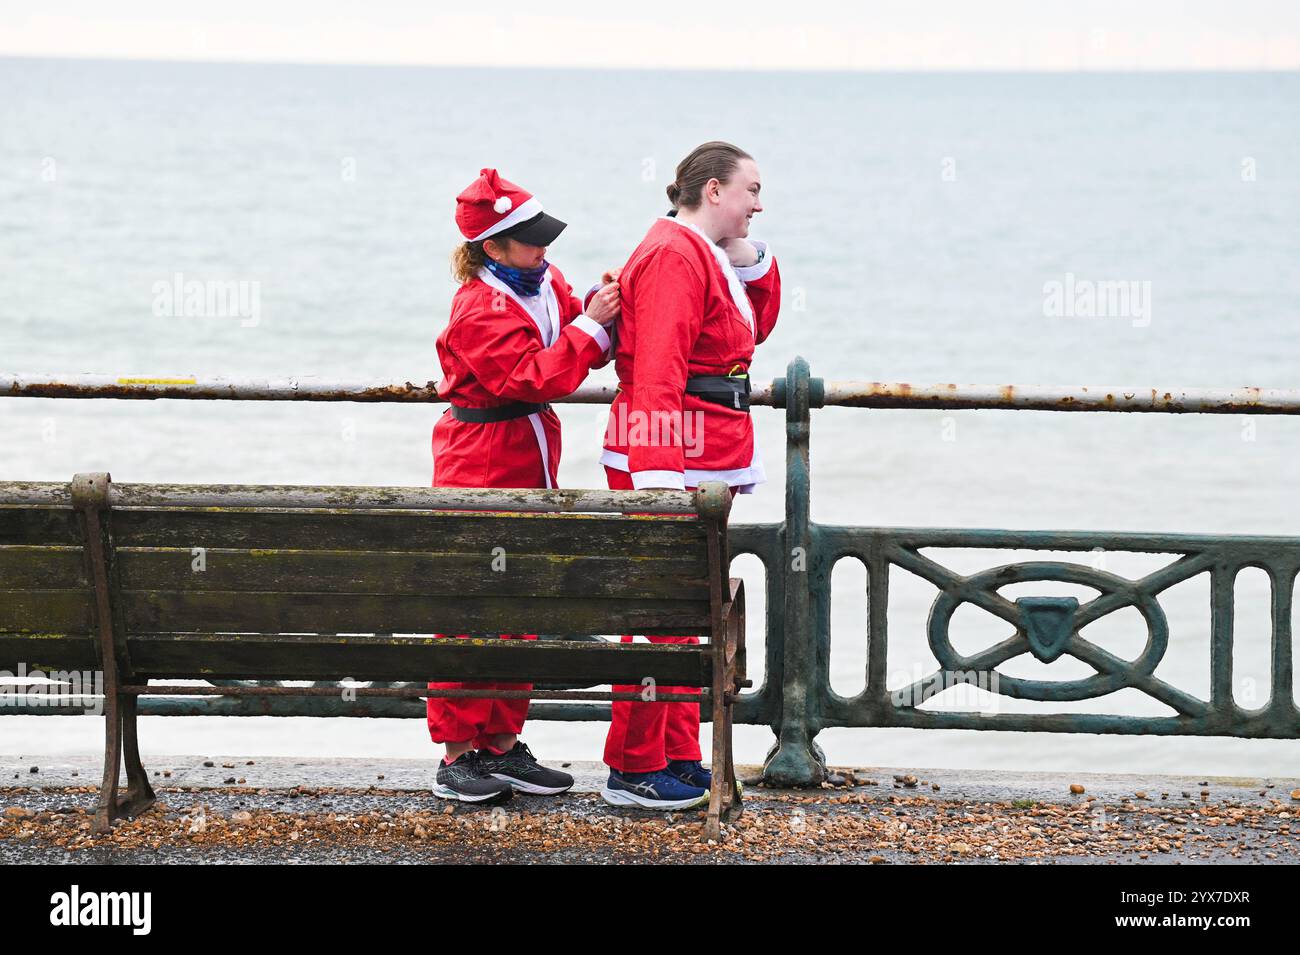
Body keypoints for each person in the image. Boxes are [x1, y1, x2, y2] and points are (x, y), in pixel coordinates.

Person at [428, 167, 621, 804]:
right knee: (471, 605)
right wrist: (591, 326)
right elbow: (532, 376)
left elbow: (574, 336)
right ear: (493, 247)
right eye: (531, 240)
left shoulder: (544, 281)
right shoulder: (477, 309)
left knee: (519, 606)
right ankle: (458, 754)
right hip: (480, 456)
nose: (545, 250)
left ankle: (501, 746)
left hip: (528, 450)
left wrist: (603, 308)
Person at [598, 141, 780, 809]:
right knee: (660, 618)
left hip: (701, 459)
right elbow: (659, 368)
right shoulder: (675, 254)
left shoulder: (697, 251)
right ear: (713, 191)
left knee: (686, 616)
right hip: (675, 462)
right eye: (750, 190)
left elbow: (749, 328)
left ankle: (674, 753)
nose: (759, 204)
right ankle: (634, 766)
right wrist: (656, 478)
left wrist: (745, 257)